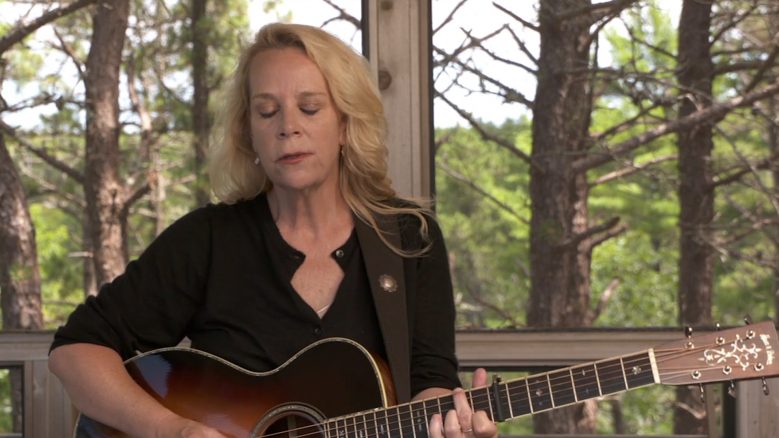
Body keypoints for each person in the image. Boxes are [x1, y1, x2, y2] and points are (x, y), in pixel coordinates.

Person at [49, 22, 498, 438]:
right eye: (267, 112)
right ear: (249, 135)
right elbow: (76, 351)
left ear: (345, 124)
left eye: (309, 107)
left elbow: (429, 382)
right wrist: (172, 430)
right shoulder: (209, 239)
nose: (288, 128)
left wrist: (452, 421)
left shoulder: (409, 239)